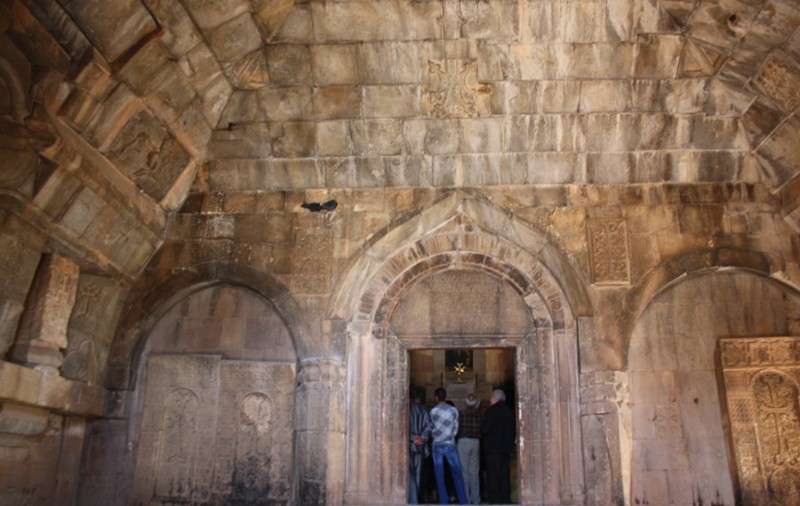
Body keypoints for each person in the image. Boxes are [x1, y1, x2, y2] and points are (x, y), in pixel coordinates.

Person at [430, 388, 468, 504]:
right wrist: (450, 436)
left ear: (436, 397)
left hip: (437, 445)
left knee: (439, 475)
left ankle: (443, 501)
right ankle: (463, 501)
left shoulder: (433, 411)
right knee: (457, 473)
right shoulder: (453, 411)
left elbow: (431, 429)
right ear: (445, 397)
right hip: (450, 444)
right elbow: (456, 429)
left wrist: (437, 436)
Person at [480, 389, 516, 504]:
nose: (490, 400)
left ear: (496, 398)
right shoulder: (509, 412)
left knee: (493, 476)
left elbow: (485, 429)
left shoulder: (491, 411)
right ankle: (505, 498)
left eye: (491, 397)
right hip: (506, 449)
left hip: (493, 449)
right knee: (504, 475)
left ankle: (495, 499)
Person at [409, 387, 432, 504]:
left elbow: (401, 426)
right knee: (418, 475)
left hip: (409, 445)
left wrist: (413, 438)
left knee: (409, 475)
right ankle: (416, 500)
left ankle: (413, 501)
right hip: (421, 445)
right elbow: (429, 426)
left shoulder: (405, 409)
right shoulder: (425, 409)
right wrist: (422, 438)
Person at [457, 393, 481, 504]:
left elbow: (457, 428)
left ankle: (466, 499)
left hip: (464, 441)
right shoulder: (479, 414)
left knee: (464, 471)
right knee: (474, 472)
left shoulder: (462, 413)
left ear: (466, 402)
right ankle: (476, 499)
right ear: (475, 402)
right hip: (476, 442)